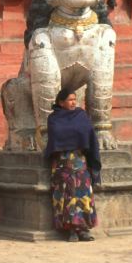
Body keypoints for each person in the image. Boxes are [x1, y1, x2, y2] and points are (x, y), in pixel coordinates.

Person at [43, 87, 101, 242]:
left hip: (80, 161)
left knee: (83, 195)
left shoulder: (81, 115)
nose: (73, 102)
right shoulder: (54, 119)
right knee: (67, 196)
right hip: (62, 164)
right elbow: (56, 136)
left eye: (75, 99)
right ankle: (71, 231)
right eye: (70, 100)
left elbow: (89, 134)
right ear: (61, 102)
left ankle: (83, 229)